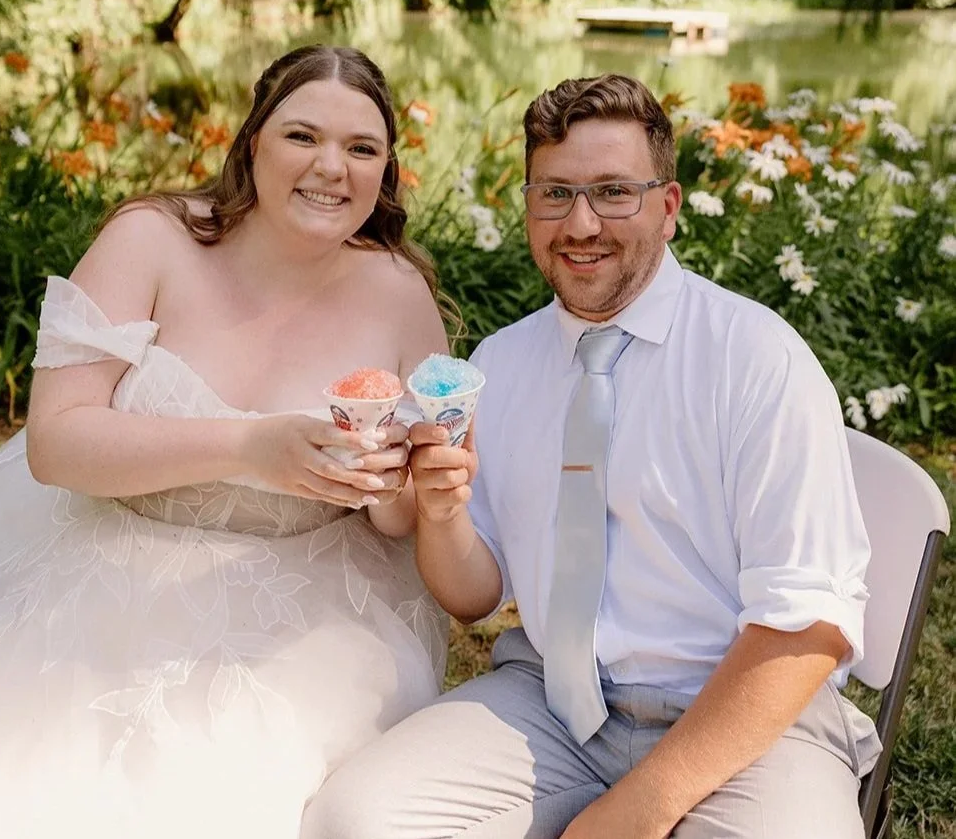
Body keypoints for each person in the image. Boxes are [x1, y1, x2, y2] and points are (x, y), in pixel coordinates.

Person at [0, 45, 450, 838]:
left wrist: (387, 481)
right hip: (103, 563)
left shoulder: (398, 294)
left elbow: (398, 520)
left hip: (303, 602)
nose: (332, 167)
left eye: (362, 148)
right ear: (252, 141)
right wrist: (252, 448)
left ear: (385, 170)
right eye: (302, 136)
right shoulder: (152, 240)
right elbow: (56, 443)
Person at [303, 73, 882, 839]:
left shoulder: (756, 360)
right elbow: (475, 594)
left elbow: (806, 627)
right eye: (555, 194)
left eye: (613, 192)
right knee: (356, 820)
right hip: (550, 702)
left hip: (745, 718)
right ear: (528, 207)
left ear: (667, 208)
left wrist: (638, 807)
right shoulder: (503, 364)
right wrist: (442, 514)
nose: (580, 223)